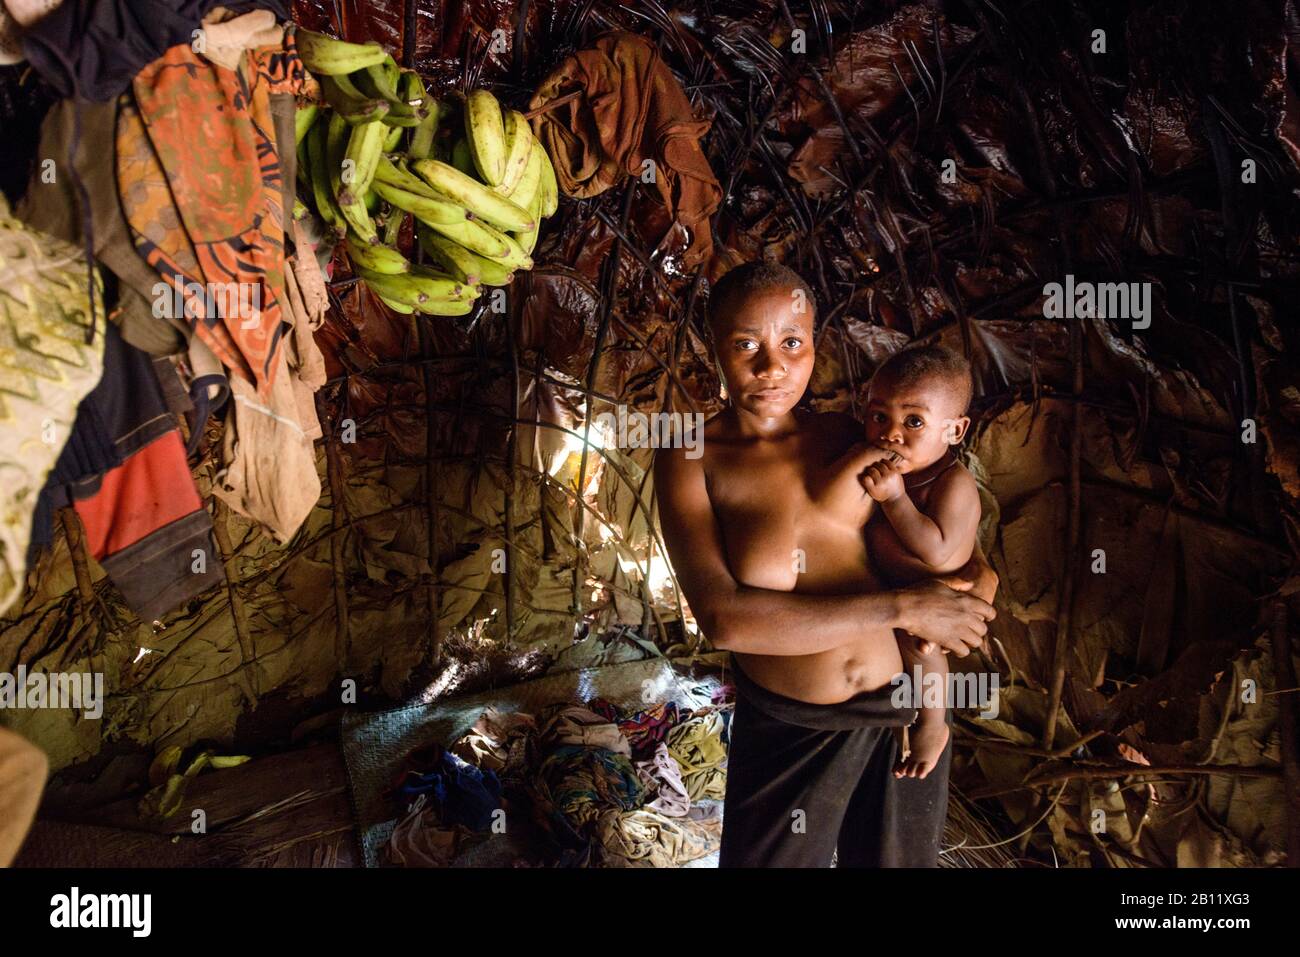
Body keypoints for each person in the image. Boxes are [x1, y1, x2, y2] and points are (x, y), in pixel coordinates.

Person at [654, 261, 997, 867]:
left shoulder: (850, 433)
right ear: (715, 349)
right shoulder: (691, 456)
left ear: (814, 344)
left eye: (792, 342)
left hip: (903, 708)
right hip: (791, 725)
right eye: (745, 345)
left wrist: (973, 591)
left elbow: (952, 549)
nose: (773, 367)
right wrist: (907, 606)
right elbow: (726, 621)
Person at [813, 345, 981, 780]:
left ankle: (932, 726)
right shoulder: (887, 465)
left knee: (922, 653)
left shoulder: (952, 483)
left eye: (914, 422)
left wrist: (896, 500)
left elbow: (939, 551)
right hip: (891, 596)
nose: (891, 433)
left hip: (932, 605)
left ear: (955, 430)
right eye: (878, 416)